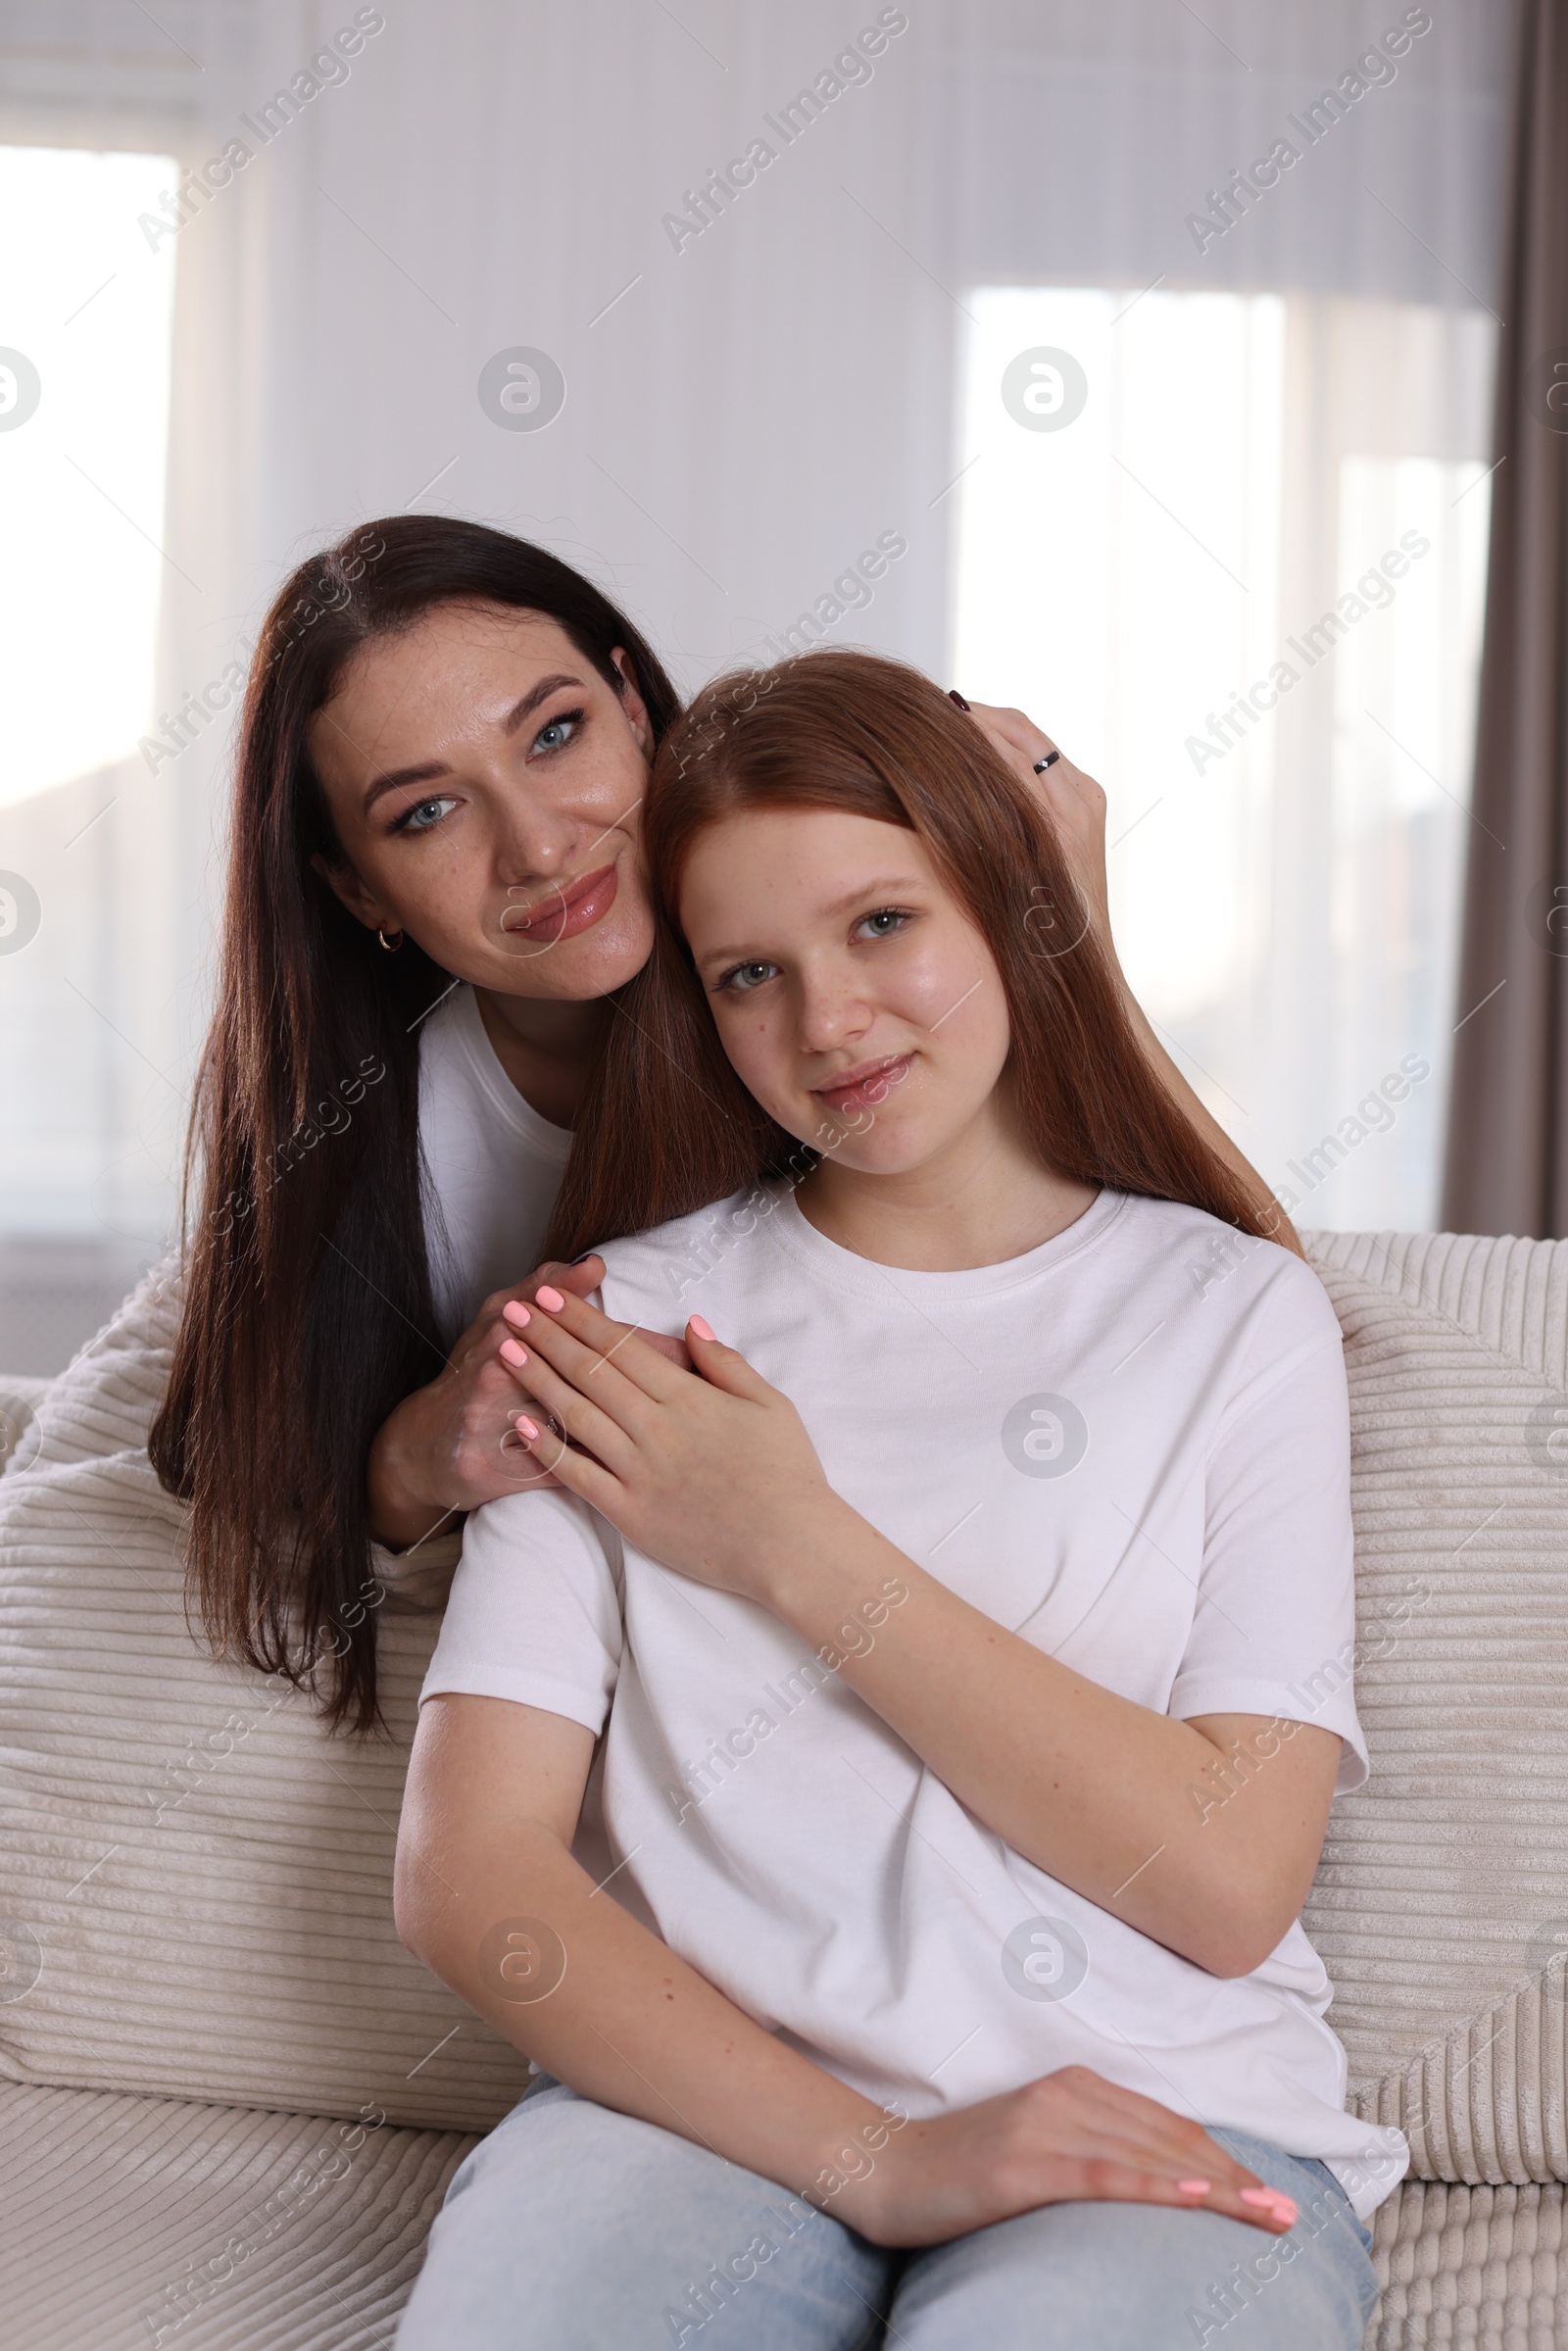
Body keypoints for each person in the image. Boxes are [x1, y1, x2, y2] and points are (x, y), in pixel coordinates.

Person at [392, 651, 1396, 2350]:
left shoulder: (1236, 1313)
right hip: (693, 2113)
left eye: (880, 925)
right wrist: (881, 2153)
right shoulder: (620, 1323)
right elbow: (473, 1871)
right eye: (749, 973)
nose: (831, 1022)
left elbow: (1227, 1878)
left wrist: (789, 1540)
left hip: (1156, 2108)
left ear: (1007, 898)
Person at [150, 517, 1295, 1735]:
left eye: (555, 734)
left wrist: (1066, 937)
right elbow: (228, 1452)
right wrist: (411, 1461)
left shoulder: (852, 1030)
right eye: (428, 813)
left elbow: (1235, 1295)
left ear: (633, 704)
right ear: (358, 887)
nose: (539, 844)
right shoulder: (361, 1127)